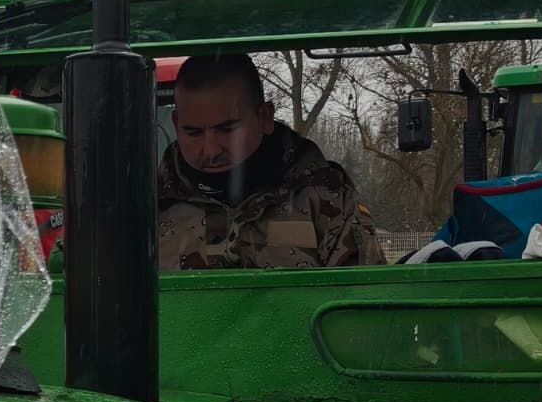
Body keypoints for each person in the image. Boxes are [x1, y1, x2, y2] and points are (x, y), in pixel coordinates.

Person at [158, 53, 386, 270]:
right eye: (193, 132)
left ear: (265, 117)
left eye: (227, 129)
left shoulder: (325, 199)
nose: (211, 151)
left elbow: (365, 293)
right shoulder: (148, 205)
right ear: (176, 124)